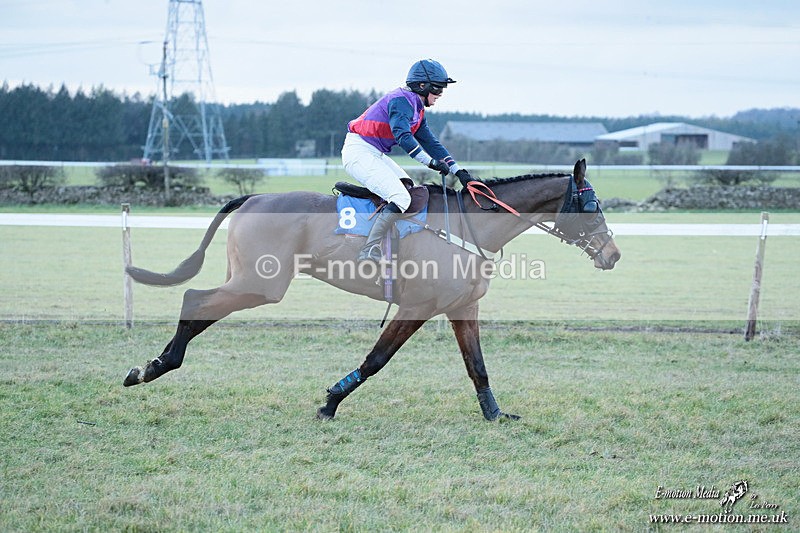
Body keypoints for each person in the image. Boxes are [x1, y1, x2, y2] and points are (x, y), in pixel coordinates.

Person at [342, 59, 473, 262]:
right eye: (438, 90)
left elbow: (432, 143)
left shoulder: (417, 108)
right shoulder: (401, 100)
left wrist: (459, 172)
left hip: (373, 152)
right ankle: (369, 249)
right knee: (401, 198)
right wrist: (430, 163)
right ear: (422, 86)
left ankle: (393, 240)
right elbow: (403, 136)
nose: (440, 95)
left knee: (408, 188)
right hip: (359, 151)